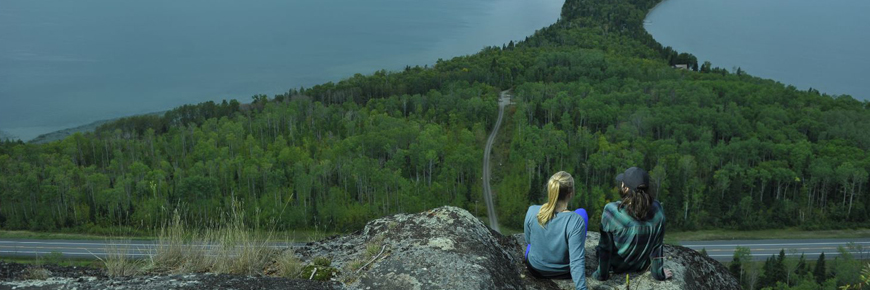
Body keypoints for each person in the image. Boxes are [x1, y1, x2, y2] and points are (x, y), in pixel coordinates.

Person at [593, 167, 673, 281]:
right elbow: (657, 247)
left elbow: (605, 249)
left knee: (598, 249)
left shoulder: (612, 211)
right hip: (640, 266)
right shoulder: (658, 209)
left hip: (615, 266)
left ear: (625, 188)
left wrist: (601, 275)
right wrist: (658, 273)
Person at [523, 171, 588, 290]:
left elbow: (528, 240)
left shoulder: (532, 211)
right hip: (562, 272)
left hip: (535, 268)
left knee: (530, 247)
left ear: (551, 190)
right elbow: (576, 261)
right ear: (570, 194)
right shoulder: (575, 220)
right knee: (582, 212)